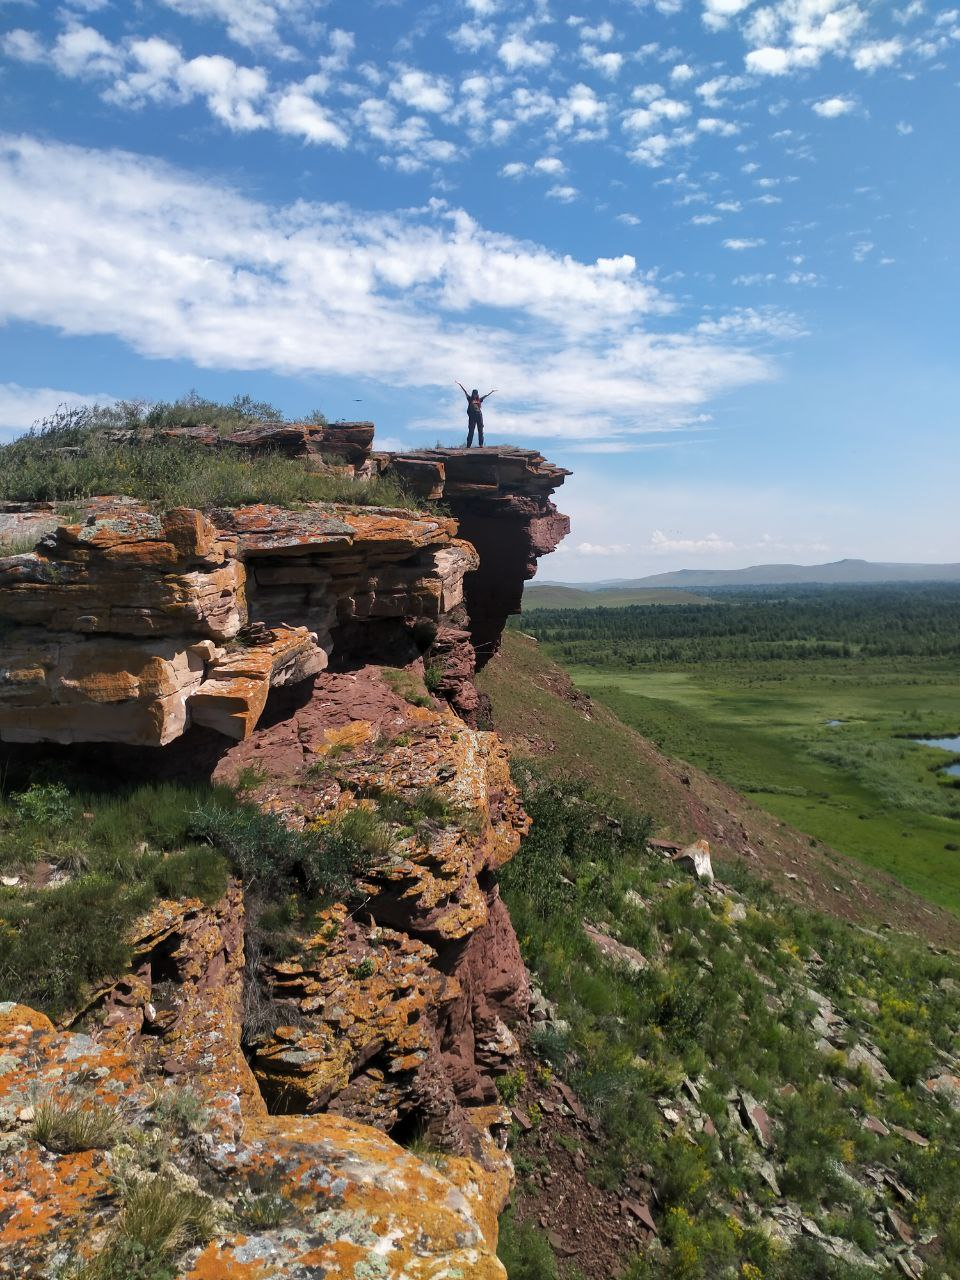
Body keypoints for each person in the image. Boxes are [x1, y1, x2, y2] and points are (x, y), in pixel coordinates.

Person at [457, 382, 496, 447]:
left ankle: (481, 444)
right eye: (474, 394)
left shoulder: (479, 400)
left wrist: (491, 392)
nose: (475, 395)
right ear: (472, 394)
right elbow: (465, 392)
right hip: (472, 416)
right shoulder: (470, 399)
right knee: (471, 430)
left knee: (480, 430)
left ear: (477, 394)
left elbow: (485, 396)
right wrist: (460, 385)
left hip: (479, 415)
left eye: (476, 394)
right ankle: (468, 445)